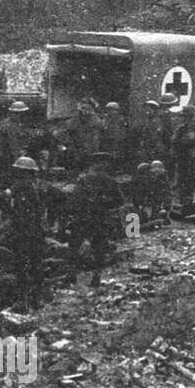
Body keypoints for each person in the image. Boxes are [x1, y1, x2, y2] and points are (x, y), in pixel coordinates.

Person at [0, 157, 55, 309]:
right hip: (25, 230)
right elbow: (0, 198)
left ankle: (32, 299)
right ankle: (27, 299)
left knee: (32, 265)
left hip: (30, 230)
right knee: (27, 265)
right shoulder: (20, 186)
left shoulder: (33, 186)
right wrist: (12, 214)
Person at [69, 152, 124, 280]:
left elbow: (74, 201)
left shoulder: (83, 180)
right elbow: (119, 201)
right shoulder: (109, 181)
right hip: (100, 219)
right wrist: (106, 202)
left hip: (83, 218)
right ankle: (96, 277)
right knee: (100, 248)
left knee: (77, 247)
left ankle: (72, 276)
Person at [171, 105, 195, 209]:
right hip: (182, 155)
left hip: (192, 156)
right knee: (182, 178)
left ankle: (188, 200)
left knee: (190, 178)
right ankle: (182, 200)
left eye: (189, 116)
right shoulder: (181, 129)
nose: (187, 119)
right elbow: (174, 142)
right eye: (185, 117)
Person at [62, 98, 105, 173]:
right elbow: (68, 133)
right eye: (83, 108)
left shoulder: (96, 120)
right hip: (77, 149)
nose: (85, 112)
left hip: (91, 149)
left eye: (87, 109)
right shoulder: (74, 121)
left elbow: (99, 130)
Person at [101, 102, 129, 170]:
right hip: (109, 139)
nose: (112, 112)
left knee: (118, 153)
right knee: (109, 154)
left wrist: (120, 137)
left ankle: (119, 167)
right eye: (109, 110)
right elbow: (104, 128)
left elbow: (123, 130)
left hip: (118, 139)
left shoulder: (121, 118)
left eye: (114, 110)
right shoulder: (106, 118)